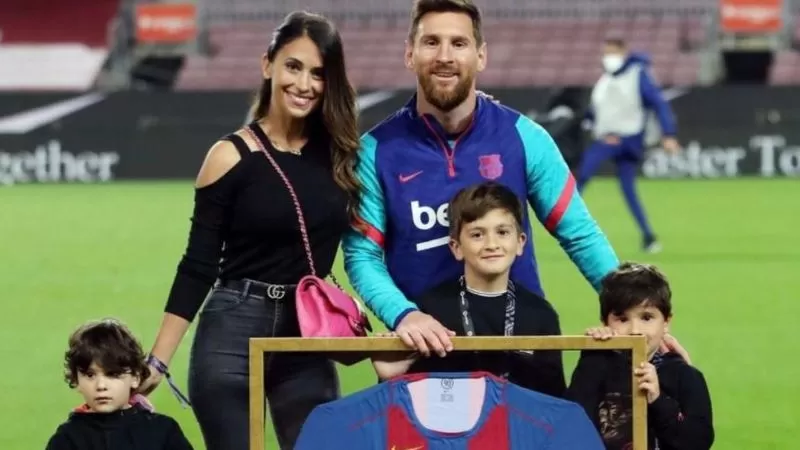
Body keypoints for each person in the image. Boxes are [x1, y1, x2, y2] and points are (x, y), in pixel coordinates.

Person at [342, 0, 621, 358]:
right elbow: (362, 255)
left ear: (481, 56)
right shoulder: (375, 152)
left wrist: (631, 309)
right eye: (431, 42)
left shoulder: (524, 137)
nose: (445, 56)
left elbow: (579, 234)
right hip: (428, 355)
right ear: (410, 54)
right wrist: (405, 315)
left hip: (521, 353)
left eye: (459, 43)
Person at [137, 11, 362, 450]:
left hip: (305, 334)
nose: (304, 84)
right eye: (293, 66)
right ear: (268, 65)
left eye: (318, 73)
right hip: (232, 330)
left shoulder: (341, 156)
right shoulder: (229, 156)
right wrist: (159, 361)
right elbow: (198, 265)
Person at [371, 181, 566, 398]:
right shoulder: (429, 313)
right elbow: (402, 402)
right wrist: (390, 377)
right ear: (456, 247)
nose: (491, 244)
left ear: (520, 243)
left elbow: (555, 403)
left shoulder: (541, 315)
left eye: (502, 232)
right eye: (477, 235)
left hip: (519, 420)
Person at [566, 262, 714, 450]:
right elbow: (569, 425)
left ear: (666, 322)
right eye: (622, 319)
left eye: (646, 318)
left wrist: (658, 400)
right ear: (605, 322)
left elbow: (698, 443)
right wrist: (593, 355)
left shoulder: (684, 376)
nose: (635, 330)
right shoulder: (598, 366)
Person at [578, 37, 681, 253]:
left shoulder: (638, 74)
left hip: (622, 138)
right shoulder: (606, 79)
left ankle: (562, 221)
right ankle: (648, 236)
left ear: (624, 53)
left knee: (582, 175)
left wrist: (668, 133)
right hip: (614, 137)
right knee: (628, 190)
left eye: (613, 52)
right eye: (606, 53)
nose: (608, 57)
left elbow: (658, 103)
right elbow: (598, 110)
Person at [46, 318, 193, 450]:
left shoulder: (162, 431)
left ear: (135, 377)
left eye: (113, 374)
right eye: (90, 375)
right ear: (76, 380)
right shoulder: (67, 438)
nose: (101, 386)